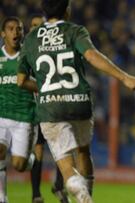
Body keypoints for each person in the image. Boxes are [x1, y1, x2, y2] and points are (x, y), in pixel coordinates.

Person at [17, 0, 135, 202]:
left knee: (66, 164)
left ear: (43, 12)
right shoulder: (75, 31)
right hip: (79, 101)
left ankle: (77, 188)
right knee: (83, 151)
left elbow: (21, 80)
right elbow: (92, 56)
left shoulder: (31, 38)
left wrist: (46, 87)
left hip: (51, 106)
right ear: (67, 10)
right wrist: (124, 77)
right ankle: (87, 194)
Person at [28, 14, 70, 203]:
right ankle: (36, 193)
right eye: (32, 25)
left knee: (62, 149)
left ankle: (59, 186)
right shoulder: (25, 53)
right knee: (37, 151)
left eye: (39, 26)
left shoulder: (51, 52)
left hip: (54, 107)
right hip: (35, 111)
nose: (35, 29)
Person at [0, 16, 36, 203]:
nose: (16, 32)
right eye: (11, 29)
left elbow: (41, 83)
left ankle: (31, 160)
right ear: (3, 33)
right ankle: (2, 196)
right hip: (2, 114)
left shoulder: (29, 55)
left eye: (19, 29)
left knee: (19, 165)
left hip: (24, 115)